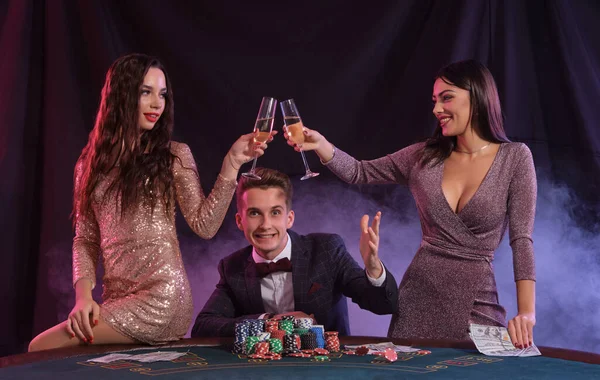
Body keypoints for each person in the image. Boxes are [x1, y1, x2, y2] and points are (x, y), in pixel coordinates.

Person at [284, 60, 537, 349]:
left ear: (477, 97)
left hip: (477, 301)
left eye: (447, 97)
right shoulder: (423, 157)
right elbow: (359, 171)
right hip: (417, 300)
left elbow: (522, 240)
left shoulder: (515, 158)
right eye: (434, 100)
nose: (436, 109)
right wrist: (320, 144)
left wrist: (527, 312)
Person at [28, 53, 273, 351]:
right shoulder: (88, 165)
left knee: (41, 347)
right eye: (146, 92)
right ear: (121, 94)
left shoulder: (174, 156)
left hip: (163, 298)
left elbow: (205, 225)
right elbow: (85, 240)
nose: (158, 103)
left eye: (162, 94)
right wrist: (84, 298)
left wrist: (231, 164)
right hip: (116, 299)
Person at [191, 167, 398, 337]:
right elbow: (203, 327)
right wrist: (270, 322)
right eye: (255, 213)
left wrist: (373, 268)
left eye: (275, 212)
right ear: (239, 221)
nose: (266, 224)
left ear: (289, 218)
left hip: (326, 370)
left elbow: (382, 305)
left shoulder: (326, 250)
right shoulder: (232, 267)